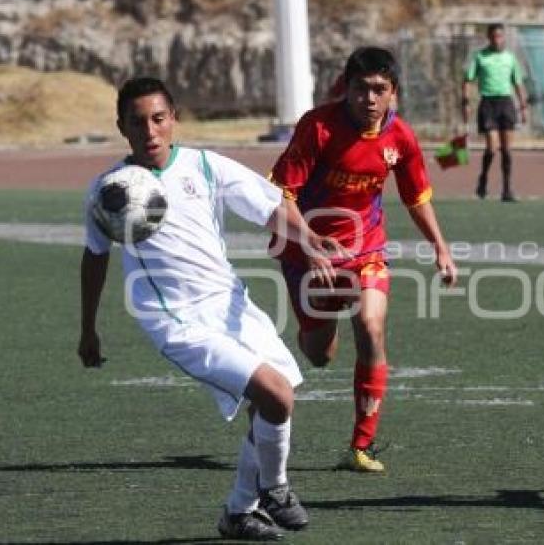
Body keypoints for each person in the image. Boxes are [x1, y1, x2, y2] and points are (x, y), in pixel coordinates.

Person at [79, 77, 346, 540]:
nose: (150, 131)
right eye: (137, 122)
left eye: (158, 119)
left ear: (174, 119)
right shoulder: (109, 191)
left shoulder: (204, 167)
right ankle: (277, 487)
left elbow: (270, 205)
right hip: (176, 320)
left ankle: (240, 511)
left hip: (230, 303)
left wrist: (308, 238)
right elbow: (95, 257)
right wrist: (88, 328)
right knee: (276, 394)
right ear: (121, 126)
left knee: (272, 406)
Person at [268, 47, 457, 473]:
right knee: (319, 353)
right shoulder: (318, 128)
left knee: (372, 326)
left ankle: (361, 445)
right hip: (306, 251)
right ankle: (312, 332)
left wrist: (440, 248)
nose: (369, 99)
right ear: (346, 89)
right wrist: (312, 242)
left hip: (366, 249)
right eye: (360, 89)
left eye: (379, 90)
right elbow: (282, 194)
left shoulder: (401, 138)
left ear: (393, 93)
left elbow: (416, 196)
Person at [461, 23, 528, 202]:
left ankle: (507, 189)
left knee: (506, 150)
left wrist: (523, 106)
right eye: (494, 37)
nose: (497, 40)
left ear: (503, 37)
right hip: (488, 103)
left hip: (506, 102)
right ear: (489, 38)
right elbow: (468, 79)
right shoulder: (481, 57)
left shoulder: (510, 58)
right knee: (492, 147)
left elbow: (518, 83)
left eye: (500, 36)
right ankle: (483, 178)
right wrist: (465, 101)